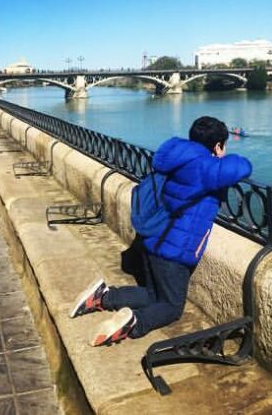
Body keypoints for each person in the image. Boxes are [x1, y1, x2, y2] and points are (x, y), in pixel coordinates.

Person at [69, 116, 252, 346]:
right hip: (172, 252)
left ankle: (104, 296)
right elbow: (243, 166)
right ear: (217, 146)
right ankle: (135, 322)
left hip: (151, 238)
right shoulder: (205, 167)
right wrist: (220, 155)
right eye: (222, 145)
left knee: (153, 295)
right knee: (172, 307)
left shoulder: (177, 157)